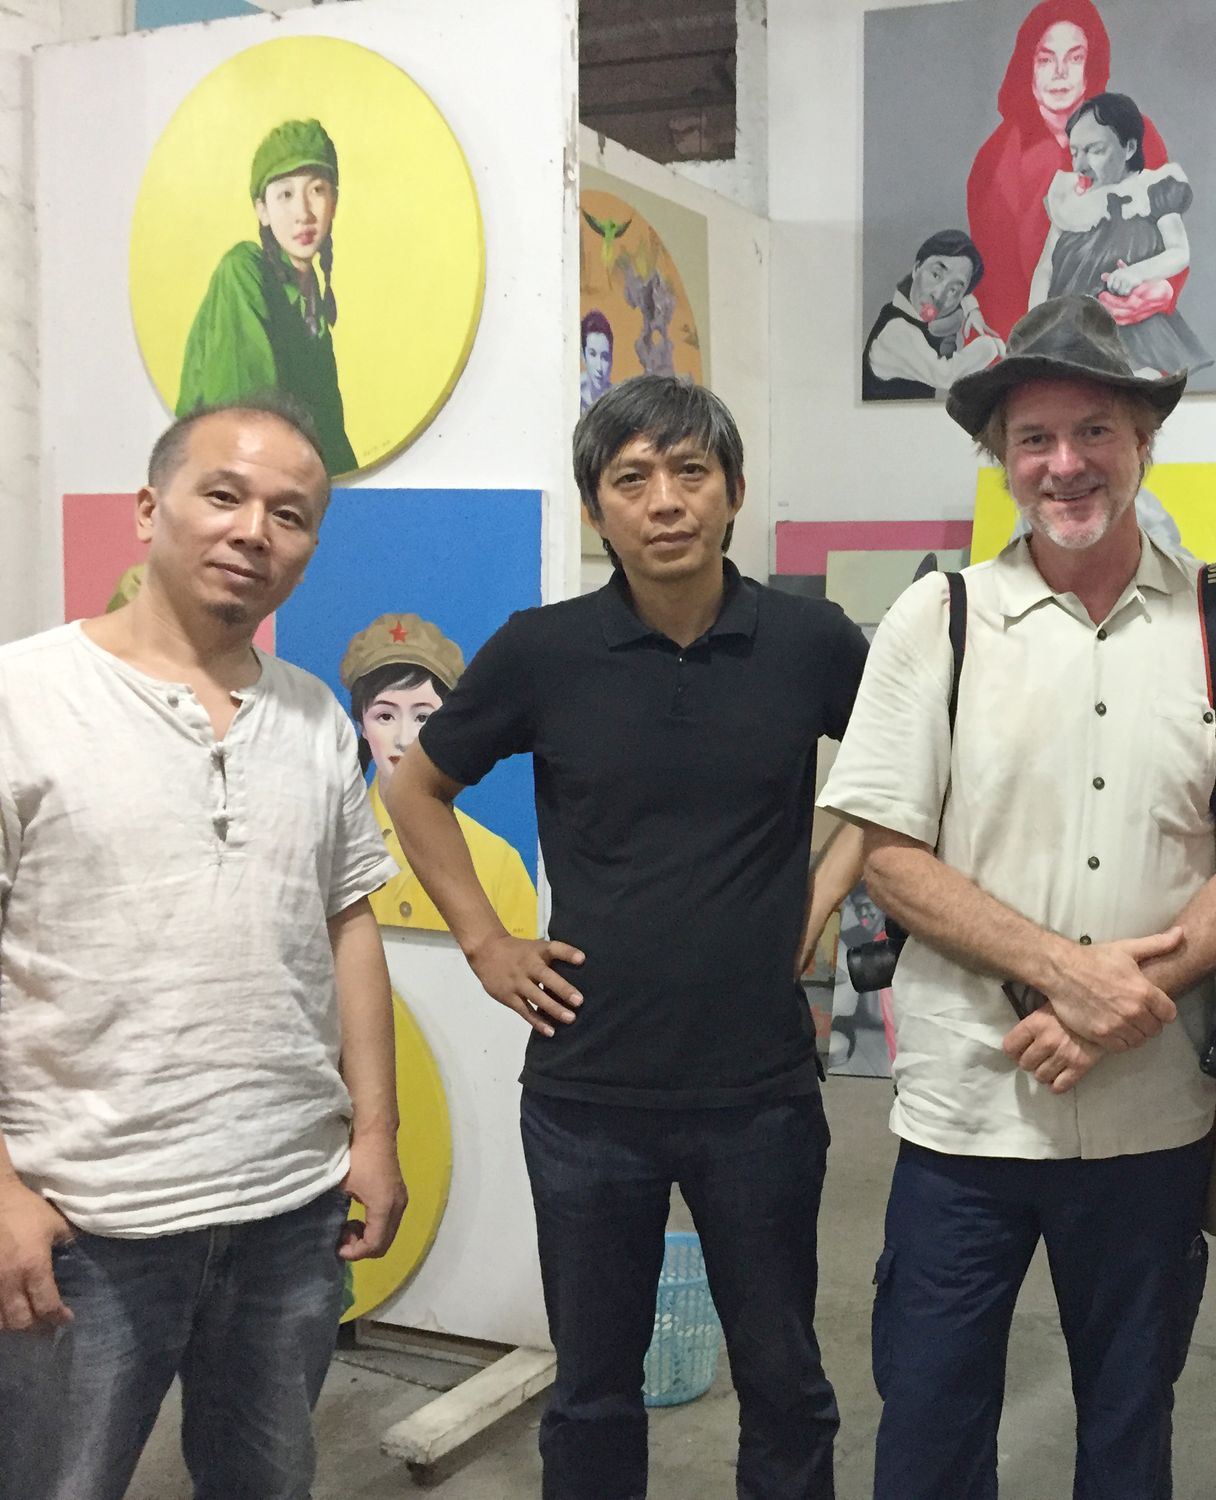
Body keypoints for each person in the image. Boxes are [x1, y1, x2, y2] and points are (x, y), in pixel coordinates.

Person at [820, 295, 1216, 1500]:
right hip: (966, 1110)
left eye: (1094, 430)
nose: (1065, 464)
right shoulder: (937, 619)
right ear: (998, 459)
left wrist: (1121, 997)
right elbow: (884, 853)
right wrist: (1067, 973)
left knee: (1127, 1420)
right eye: (1034, 438)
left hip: (1156, 1111)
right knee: (929, 1422)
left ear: (1143, 440)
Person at [381, 376, 868, 1500]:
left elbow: (913, 780)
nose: (664, 501)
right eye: (632, 478)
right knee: (593, 1392)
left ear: (733, 490)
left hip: (759, 1090)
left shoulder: (809, 641)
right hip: (587, 1093)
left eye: (690, 472)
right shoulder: (544, 650)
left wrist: (824, 889)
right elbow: (416, 789)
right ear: (596, 506)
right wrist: (487, 943)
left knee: (786, 1381)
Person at [0, 396, 406, 1498]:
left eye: (290, 514)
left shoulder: (316, 717)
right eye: (223, 495)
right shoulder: (24, 697)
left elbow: (349, 924)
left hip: (288, 1206)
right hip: (86, 1218)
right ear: (149, 508)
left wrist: (373, 1138)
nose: (253, 531)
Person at [966, 0, 1183, 340]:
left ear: (1091, 64)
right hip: (1036, 343)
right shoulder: (995, 158)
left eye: (1075, 57)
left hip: (1126, 335)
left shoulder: (1135, 132)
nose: (1060, 72)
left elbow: (1171, 240)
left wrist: (1161, 289)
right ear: (1028, 66)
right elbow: (996, 284)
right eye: (1045, 59)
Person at [340, 612, 538, 940]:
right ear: (361, 724)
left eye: (423, 717)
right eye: (385, 716)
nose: (404, 738)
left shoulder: (498, 860)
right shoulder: (331, 840)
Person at [178, 120, 360, 474]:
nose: (303, 214)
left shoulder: (311, 304)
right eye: (285, 195)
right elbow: (243, 426)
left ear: (334, 202)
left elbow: (331, 440)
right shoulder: (244, 271)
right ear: (262, 209)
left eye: (317, 190)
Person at [1030, 92, 1210, 379]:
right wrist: (1035, 327)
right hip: (1069, 332)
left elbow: (1179, 252)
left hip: (1127, 332)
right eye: (1075, 152)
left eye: (1095, 150)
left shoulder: (1152, 190)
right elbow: (1046, 269)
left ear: (1129, 148)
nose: (1079, 165)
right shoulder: (1070, 201)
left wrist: (1137, 273)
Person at [862, 229, 1006, 400]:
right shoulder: (897, 330)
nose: (938, 295)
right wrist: (993, 345)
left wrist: (972, 310)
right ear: (916, 268)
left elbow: (962, 292)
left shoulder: (911, 314)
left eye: (953, 290)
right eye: (936, 275)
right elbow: (946, 376)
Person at [581, 309, 615, 412]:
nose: (599, 368)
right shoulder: (571, 394)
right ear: (583, 356)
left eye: (605, 357)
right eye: (593, 354)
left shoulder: (616, 403)